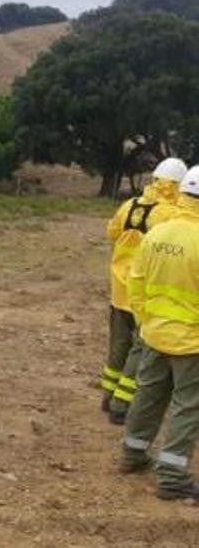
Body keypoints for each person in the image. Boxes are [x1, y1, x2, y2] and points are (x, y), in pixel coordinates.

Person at [119, 165, 199, 500]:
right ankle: (171, 477)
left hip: (152, 334)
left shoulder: (158, 233)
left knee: (147, 397)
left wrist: (145, 321)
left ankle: (132, 455)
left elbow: (135, 281)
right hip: (191, 343)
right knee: (186, 407)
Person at [103, 158, 185, 424]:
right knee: (140, 350)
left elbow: (112, 232)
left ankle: (108, 396)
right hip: (144, 291)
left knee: (118, 346)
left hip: (119, 288)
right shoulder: (169, 214)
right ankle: (120, 406)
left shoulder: (129, 205)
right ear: (176, 186)